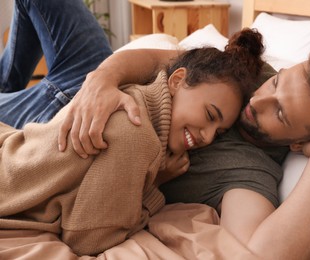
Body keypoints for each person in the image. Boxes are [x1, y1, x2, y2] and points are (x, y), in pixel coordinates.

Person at [0, 0, 310, 259]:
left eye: (279, 114)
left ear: (299, 141)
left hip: (61, 114)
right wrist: (100, 82)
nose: (258, 101)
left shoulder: (251, 173)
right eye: (277, 85)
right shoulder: (255, 74)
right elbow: (168, 62)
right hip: (89, 89)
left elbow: (268, 253)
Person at [0, 1, 266, 255]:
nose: (207, 137)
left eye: (218, 132)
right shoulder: (139, 137)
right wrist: (154, 189)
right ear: (177, 80)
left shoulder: (142, 99)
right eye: (209, 115)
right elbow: (90, 239)